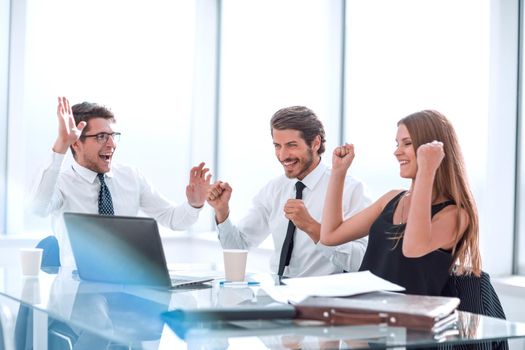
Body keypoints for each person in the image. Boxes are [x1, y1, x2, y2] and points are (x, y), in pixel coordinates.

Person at [31, 96, 211, 267]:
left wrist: (194, 204)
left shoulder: (131, 177)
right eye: (101, 136)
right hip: (78, 286)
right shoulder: (62, 183)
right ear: (76, 144)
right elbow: (38, 208)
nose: (111, 144)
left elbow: (173, 219)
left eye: (112, 135)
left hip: (128, 283)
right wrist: (61, 143)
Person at [320, 110, 481, 295]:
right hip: (365, 312)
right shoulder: (391, 199)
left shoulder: (455, 215)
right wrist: (338, 172)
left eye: (407, 143)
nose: (397, 152)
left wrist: (427, 170)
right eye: (397, 144)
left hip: (409, 320)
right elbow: (330, 236)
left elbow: (413, 248)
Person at [207, 106, 370, 277]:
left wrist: (312, 227)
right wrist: (222, 211)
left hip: (326, 297)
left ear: (315, 143)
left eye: (292, 145)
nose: (283, 155)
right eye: (278, 146)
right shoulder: (274, 189)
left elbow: (359, 262)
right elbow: (237, 248)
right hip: (277, 295)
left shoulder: (350, 189)